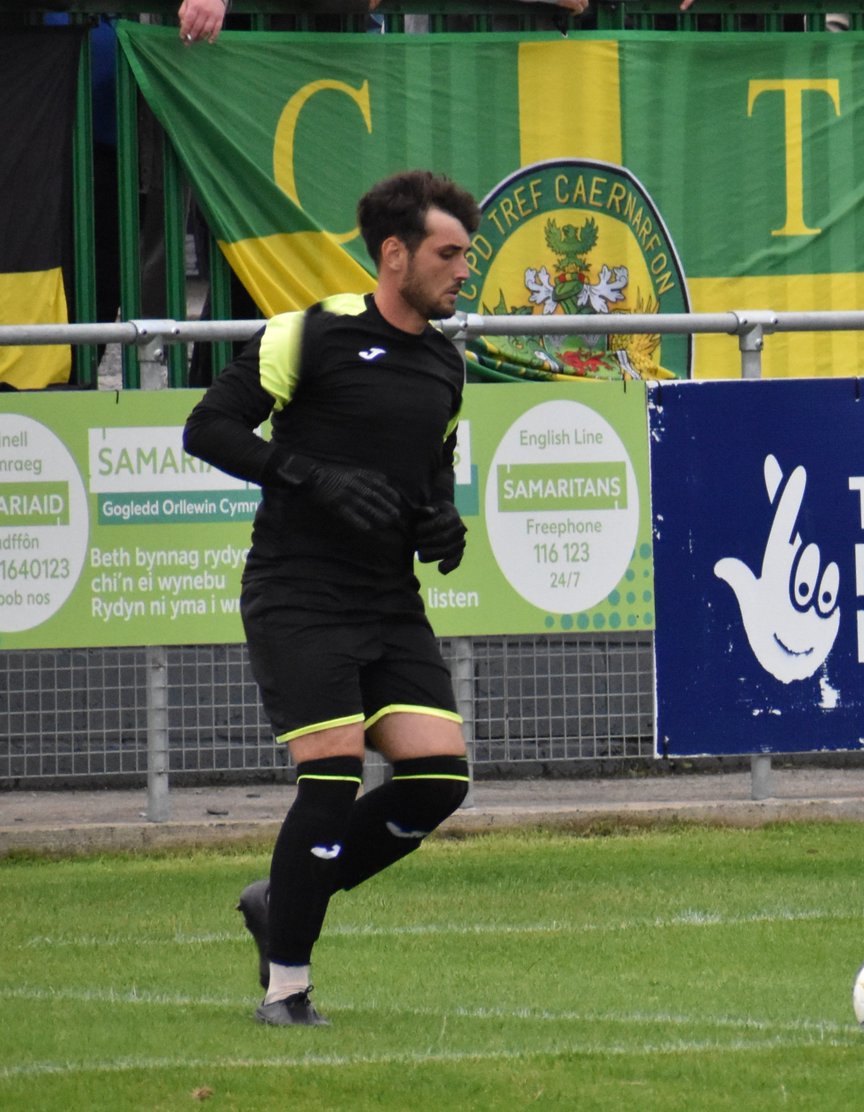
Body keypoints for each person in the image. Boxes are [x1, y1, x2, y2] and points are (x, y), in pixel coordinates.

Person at [182, 169, 480, 1027]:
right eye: (448, 253)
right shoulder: (308, 335)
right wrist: (307, 473)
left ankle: (284, 894)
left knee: (437, 779)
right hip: (298, 593)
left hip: (389, 599)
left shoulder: (446, 365)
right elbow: (209, 427)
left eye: (466, 254)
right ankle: (286, 989)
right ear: (395, 255)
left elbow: (434, 469)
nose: (464, 269)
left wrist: (443, 522)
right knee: (333, 776)